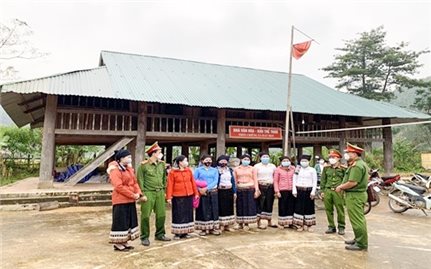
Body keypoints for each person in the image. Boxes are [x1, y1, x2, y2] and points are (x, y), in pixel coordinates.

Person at [107, 149, 144, 251]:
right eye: (128, 157)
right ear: (121, 159)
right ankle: (117, 243)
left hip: (130, 200)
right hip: (120, 200)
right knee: (120, 221)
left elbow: (135, 182)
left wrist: (138, 193)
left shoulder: (129, 169)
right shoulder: (115, 170)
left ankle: (124, 241)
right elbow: (118, 186)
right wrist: (132, 195)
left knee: (128, 221)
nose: (130, 159)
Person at [137, 142, 171, 246]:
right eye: (159, 152)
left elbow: (164, 179)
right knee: (145, 216)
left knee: (161, 215)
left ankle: (160, 234)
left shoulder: (162, 165)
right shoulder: (143, 166)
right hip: (148, 192)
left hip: (160, 192)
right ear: (153, 153)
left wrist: (164, 192)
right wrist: (142, 194)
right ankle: (144, 237)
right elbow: (140, 180)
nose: (161, 153)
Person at [336, 143, 369, 251]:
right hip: (356, 195)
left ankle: (361, 244)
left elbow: (353, 182)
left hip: (355, 195)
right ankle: (358, 238)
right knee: (357, 219)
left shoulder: (357, 166)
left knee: (357, 220)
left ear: (354, 154)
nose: (346, 154)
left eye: (348, 153)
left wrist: (340, 187)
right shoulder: (357, 164)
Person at [166, 155, 199, 240]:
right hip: (178, 196)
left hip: (188, 195)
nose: (186, 162)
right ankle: (177, 233)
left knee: (188, 213)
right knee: (178, 214)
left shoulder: (188, 171)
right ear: (180, 162)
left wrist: (196, 193)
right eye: (185, 161)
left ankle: (186, 232)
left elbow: (193, 182)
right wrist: (169, 197)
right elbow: (170, 185)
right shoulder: (172, 172)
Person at [194, 154, 221, 236]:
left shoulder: (215, 170)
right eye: (206, 160)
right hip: (201, 192)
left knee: (213, 209)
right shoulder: (198, 170)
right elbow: (194, 180)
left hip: (212, 192)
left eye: (210, 160)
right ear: (202, 161)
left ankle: (213, 228)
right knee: (203, 210)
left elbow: (216, 181)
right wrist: (200, 190)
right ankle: (204, 229)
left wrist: (207, 188)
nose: (208, 162)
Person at [321, 149, 346, 235]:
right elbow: (323, 180)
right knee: (328, 210)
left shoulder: (343, 168)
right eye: (330, 157)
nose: (331, 159)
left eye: (333, 157)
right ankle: (331, 226)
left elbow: (345, 180)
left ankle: (341, 227)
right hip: (328, 190)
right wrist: (322, 191)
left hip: (338, 191)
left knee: (340, 210)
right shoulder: (326, 168)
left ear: (338, 158)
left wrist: (343, 190)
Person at [234, 154, 260, 231]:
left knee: (248, 206)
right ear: (241, 160)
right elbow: (235, 181)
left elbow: (255, 179)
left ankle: (246, 223)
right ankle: (240, 223)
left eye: (248, 159)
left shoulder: (253, 168)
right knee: (240, 206)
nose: (246, 161)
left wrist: (257, 190)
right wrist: (234, 191)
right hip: (240, 188)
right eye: (245, 159)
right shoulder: (236, 169)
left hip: (250, 189)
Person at [292, 154, 318, 232]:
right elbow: (294, 179)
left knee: (309, 207)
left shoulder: (312, 170)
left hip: (309, 190)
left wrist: (313, 191)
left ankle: (309, 225)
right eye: (302, 161)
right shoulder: (297, 169)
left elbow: (315, 181)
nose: (304, 162)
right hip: (299, 190)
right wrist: (294, 190)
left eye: (305, 161)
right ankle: (300, 225)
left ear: (308, 162)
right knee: (299, 207)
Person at [254, 152, 277, 229]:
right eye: (264, 157)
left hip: (270, 186)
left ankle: (269, 221)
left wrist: (276, 189)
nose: (265, 158)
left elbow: (275, 177)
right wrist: (257, 189)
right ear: (260, 158)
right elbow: (255, 178)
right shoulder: (256, 166)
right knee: (260, 204)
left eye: (267, 157)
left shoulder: (273, 166)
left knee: (269, 203)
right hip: (261, 186)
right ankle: (258, 221)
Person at [273, 156, 296, 229]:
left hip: (292, 190)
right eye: (284, 160)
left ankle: (290, 223)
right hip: (282, 190)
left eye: (287, 160)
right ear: (281, 162)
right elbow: (275, 181)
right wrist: (277, 191)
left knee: (291, 206)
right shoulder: (278, 170)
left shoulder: (293, 168)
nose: (286, 162)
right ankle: (282, 223)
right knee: (282, 206)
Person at [216, 155, 237, 232]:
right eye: (221, 161)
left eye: (225, 161)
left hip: (229, 190)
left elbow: (233, 182)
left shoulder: (230, 170)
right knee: (221, 208)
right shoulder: (216, 170)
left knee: (229, 208)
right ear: (218, 161)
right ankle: (221, 225)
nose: (223, 162)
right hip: (220, 190)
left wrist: (234, 192)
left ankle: (228, 225)